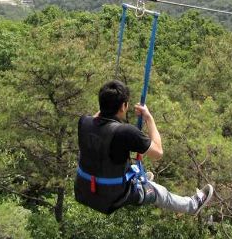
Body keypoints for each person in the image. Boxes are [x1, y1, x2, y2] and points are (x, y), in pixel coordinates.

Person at [75, 80, 213, 215]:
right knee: (160, 193)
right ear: (124, 106)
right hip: (112, 196)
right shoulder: (125, 132)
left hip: (85, 190)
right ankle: (192, 205)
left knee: (119, 161)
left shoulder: (84, 122)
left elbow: (97, 119)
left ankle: (139, 181)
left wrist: (107, 103)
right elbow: (158, 152)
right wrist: (148, 118)